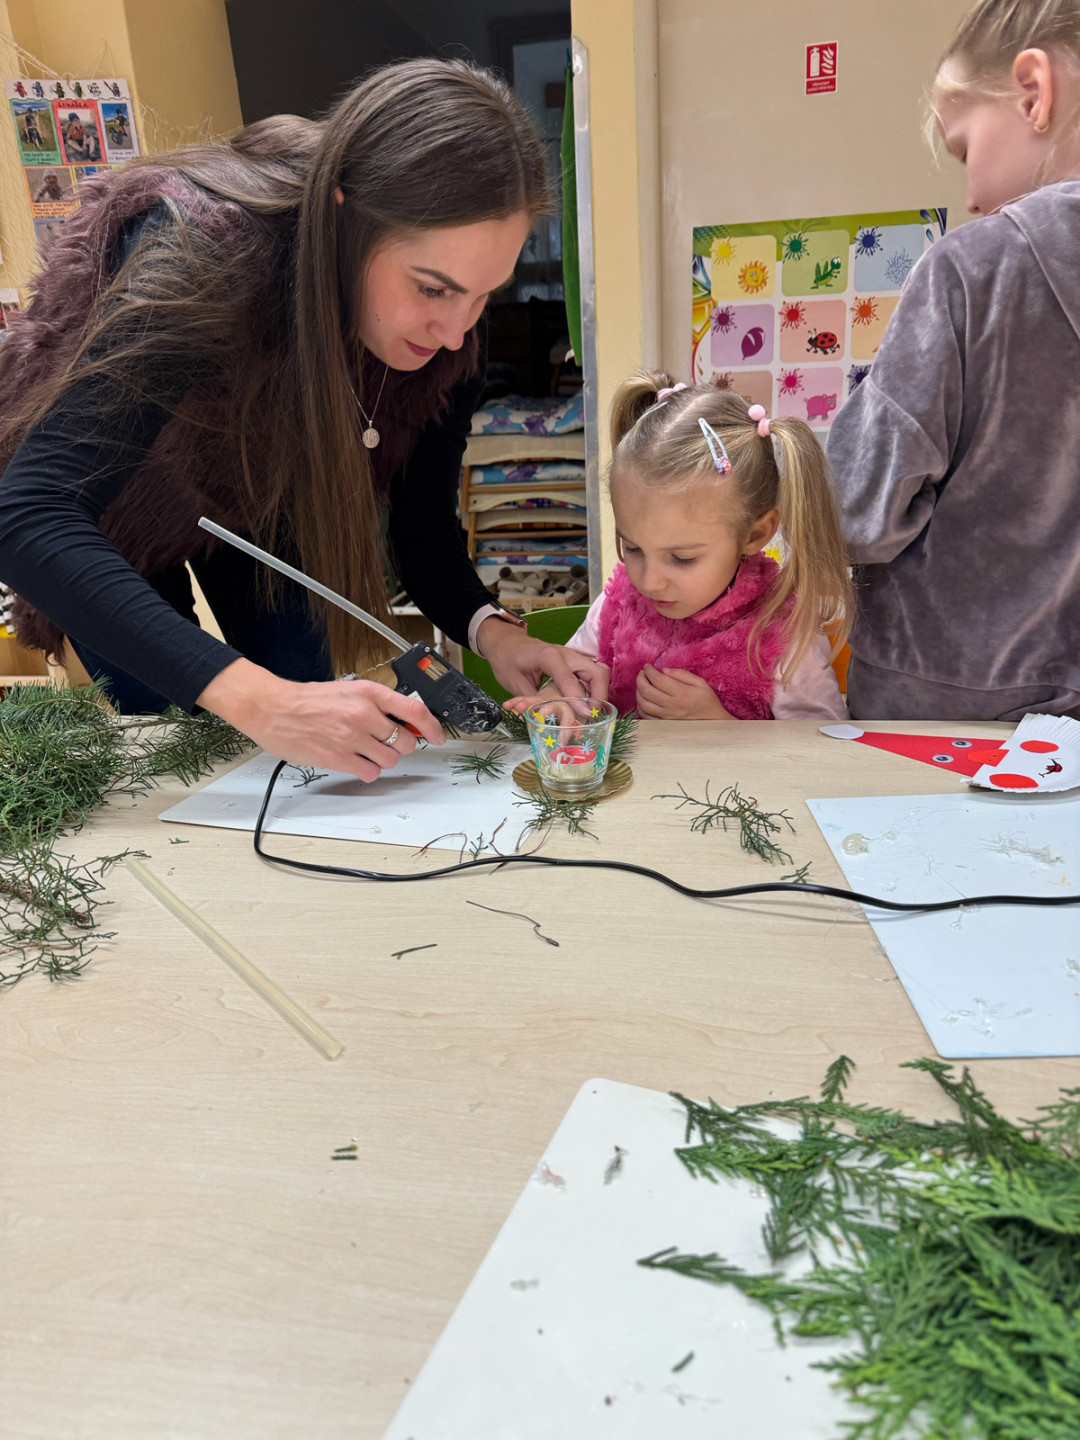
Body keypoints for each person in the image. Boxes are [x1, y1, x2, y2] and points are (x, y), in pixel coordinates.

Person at [0, 59, 605, 780]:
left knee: (305, 694)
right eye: (432, 288)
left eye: (483, 294)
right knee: (174, 726)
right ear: (345, 217)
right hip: (108, 510)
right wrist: (259, 701)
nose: (455, 332)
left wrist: (496, 633)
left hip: (262, 485)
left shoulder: (450, 340)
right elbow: (29, 516)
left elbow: (421, 530)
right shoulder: (202, 254)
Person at [827, 0, 1080, 721]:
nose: (969, 198)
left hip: (935, 705)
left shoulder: (971, 271)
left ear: (1033, 91)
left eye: (964, 148)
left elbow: (858, 514)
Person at [509, 375, 851, 720]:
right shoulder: (617, 602)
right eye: (633, 548)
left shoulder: (784, 633)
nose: (650, 582)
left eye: (682, 558)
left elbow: (821, 741)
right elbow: (576, 674)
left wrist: (721, 726)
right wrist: (557, 696)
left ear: (754, 534)